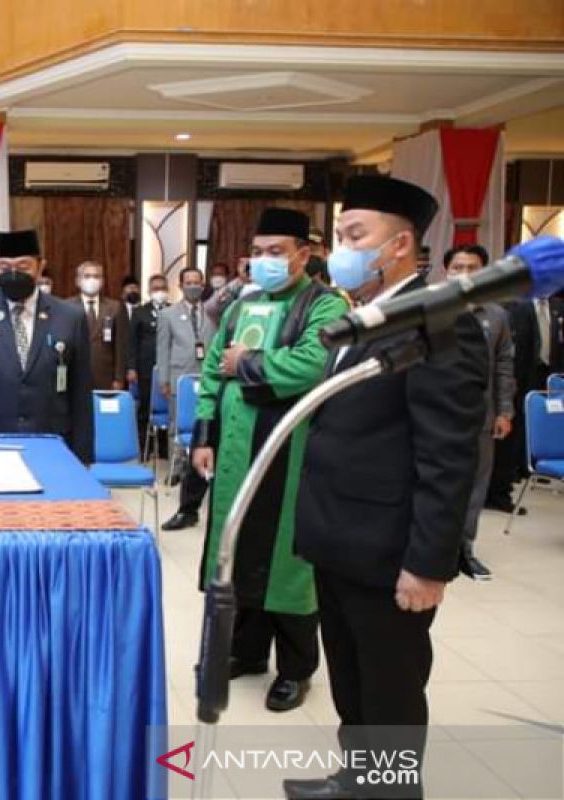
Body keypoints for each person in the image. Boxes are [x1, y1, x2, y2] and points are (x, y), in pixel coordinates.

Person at [284, 176, 487, 800]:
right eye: (337, 236)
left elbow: (449, 457)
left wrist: (427, 565)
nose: (338, 249)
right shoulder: (365, 315)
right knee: (350, 681)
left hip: (389, 552)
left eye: (354, 235)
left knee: (391, 694)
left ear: (400, 244)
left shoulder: (440, 322)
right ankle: (356, 781)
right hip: (338, 541)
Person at [192, 208, 349, 713]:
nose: (264, 261)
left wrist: (249, 363)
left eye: (276, 252)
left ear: (304, 254)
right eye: (257, 253)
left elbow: (313, 363)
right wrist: (203, 433)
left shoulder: (323, 305)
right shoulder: (242, 305)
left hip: (290, 450)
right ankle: (247, 651)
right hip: (236, 451)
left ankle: (296, 668)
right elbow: (213, 371)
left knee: (286, 560)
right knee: (236, 550)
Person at [0, 230, 94, 462]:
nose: (13, 273)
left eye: (23, 266)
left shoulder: (70, 317)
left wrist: (83, 458)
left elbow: (81, 393)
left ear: (40, 265)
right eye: (4, 267)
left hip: (52, 444)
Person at [444, 245, 514, 580]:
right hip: (437, 415)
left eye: (472, 267)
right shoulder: (432, 312)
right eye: (457, 267)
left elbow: (503, 365)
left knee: (474, 486)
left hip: (480, 417)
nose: (464, 274)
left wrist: (505, 410)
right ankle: (432, 547)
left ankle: (464, 551)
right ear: (446, 272)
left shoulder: (497, 315)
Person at [486, 293, 563, 512]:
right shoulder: (515, 307)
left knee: (521, 435)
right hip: (517, 380)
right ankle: (498, 492)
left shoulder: (556, 306)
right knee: (508, 437)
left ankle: (512, 477)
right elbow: (511, 351)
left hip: (543, 375)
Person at [158, 267, 215, 531]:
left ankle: (202, 471)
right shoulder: (168, 314)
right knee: (176, 424)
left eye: (197, 282)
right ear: (180, 286)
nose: (193, 286)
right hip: (180, 374)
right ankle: (177, 469)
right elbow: (163, 346)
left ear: (203, 285)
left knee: (204, 426)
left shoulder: (213, 312)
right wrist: (164, 378)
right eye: (188, 282)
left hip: (207, 377)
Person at [71, 260, 129, 390]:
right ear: (78, 281)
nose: (92, 280)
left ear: (102, 281)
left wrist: (119, 378)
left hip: (105, 377)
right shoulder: (66, 307)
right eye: (87, 276)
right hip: (75, 376)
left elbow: (120, 346)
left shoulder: (115, 307)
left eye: (96, 276)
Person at [128, 273, 169, 443]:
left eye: (162, 288)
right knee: (145, 406)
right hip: (145, 367)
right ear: (149, 290)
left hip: (168, 367)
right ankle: (145, 445)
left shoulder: (173, 310)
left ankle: (164, 446)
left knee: (167, 407)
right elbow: (131, 341)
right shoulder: (139, 312)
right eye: (156, 288)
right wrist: (131, 367)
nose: (160, 291)